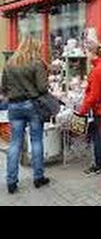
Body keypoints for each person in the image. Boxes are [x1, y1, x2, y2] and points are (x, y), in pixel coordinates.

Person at [0, 37, 51, 194]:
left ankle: (11, 181)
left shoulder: (9, 64)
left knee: (15, 143)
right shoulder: (36, 63)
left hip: (14, 106)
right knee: (36, 140)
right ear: (34, 47)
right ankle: (38, 177)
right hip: (33, 105)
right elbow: (42, 88)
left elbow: (3, 87)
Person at [76, 41, 101, 176]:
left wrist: (83, 110)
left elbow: (94, 95)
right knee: (99, 135)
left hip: (97, 107)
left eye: (86, 52)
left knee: (97, 136)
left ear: (91, 52)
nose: (86, 55)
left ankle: (98, 165)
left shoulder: (98, 70)